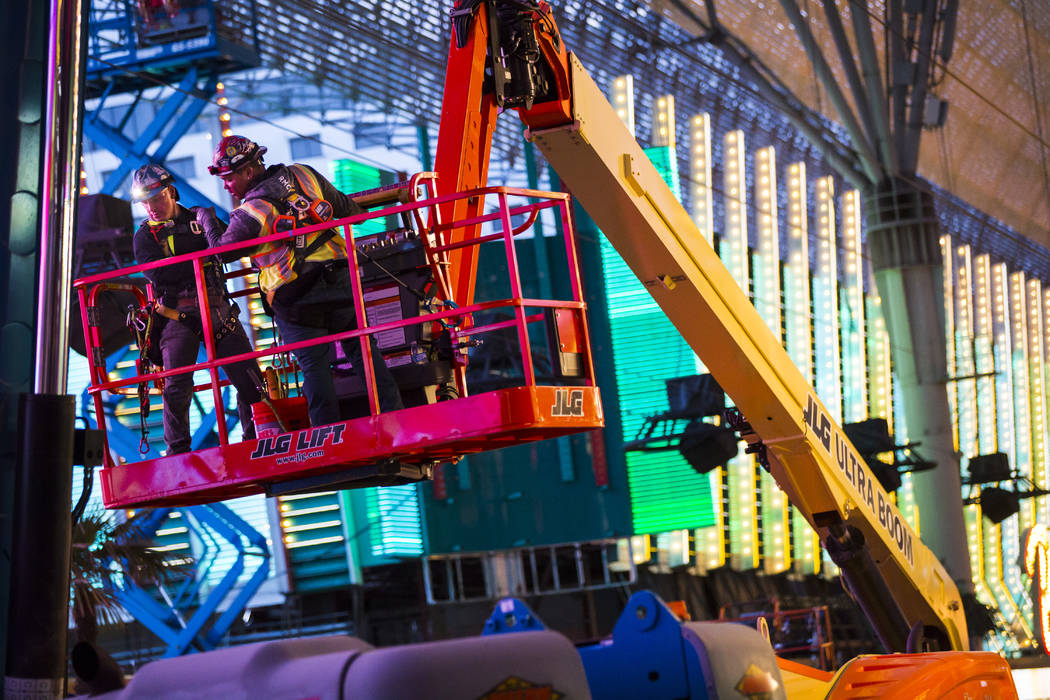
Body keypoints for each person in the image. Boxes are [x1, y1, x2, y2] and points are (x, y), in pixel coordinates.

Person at [197, 135, 403, 427]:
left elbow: (221, 253)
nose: (226, 185)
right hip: (343, 283)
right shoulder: (303, 174)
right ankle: (395, 421)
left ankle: (329, 442)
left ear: (248, 172)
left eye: (228, 177)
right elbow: (352, 213)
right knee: (366, 355)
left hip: (297, 300)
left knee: (315, 371)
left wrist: (206, 219)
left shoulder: (251, 213)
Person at [130, 163, 264, 454]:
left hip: (218, 311)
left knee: (250, 379)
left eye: (156, 199)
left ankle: (254, 441)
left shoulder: (199, 219)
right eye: (146, 203)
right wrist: (205, 252)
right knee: (177, 387)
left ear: (171, 192)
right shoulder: (144, 238)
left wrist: (211, 226)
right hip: (177, 317)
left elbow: (233, 244)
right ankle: (178, 451)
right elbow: (162, 276)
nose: (151, 208)